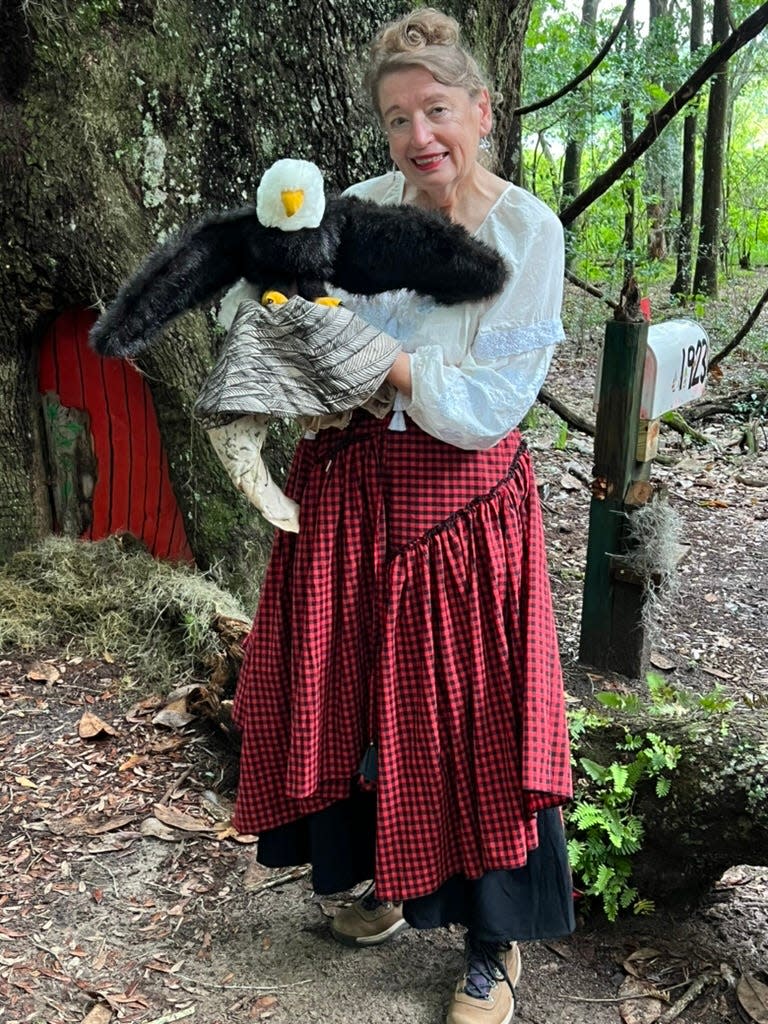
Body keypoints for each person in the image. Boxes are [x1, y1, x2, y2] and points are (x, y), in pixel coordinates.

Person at [231, 9, 574, 1023]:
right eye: (395, 119)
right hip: (357, 499)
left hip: (461, 519)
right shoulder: (362, 210)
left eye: (436, 110)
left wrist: (380, 362)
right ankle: (387, 889)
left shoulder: (526, 233)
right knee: (362, 694)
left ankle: (494, 944)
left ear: (480, 107)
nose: (418, 136)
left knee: (471, 720)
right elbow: (304, 341)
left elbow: (488, 404)